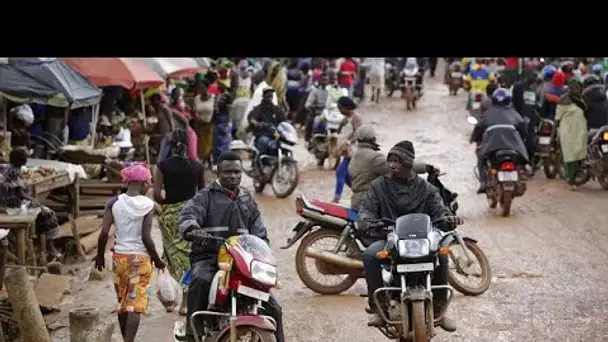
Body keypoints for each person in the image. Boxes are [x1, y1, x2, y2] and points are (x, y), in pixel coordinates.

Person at [177, 151, 284, 342]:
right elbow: (187, 216)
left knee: (274, 307)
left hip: (242, 261)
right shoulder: (205, 197)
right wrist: (193, 229)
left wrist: (264, 249)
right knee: (200, 281)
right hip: (210, 257)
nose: (233, 176)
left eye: (236, 172)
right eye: (228, 172)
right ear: (218, 172)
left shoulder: (246, 199)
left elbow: (259, 232)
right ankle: (192, 333)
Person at [358, 140, 459, 331]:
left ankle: (439, 310)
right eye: (390, 161)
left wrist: (448, 218)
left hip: (422, 239)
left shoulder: (426, 188)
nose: (392, 165)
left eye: (397, 161)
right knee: (370, 254)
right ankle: (379, 308)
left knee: (443, 255)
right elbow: (367, 208)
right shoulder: (379, 186)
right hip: (390, 239)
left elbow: (439, 210)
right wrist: (366, 219)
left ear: (408, 164)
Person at [94, 164, 165, 342]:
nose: (149, 186)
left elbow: (103, 233)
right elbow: (146, 238)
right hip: (140, 261)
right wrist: (157, 259)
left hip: (119, 259)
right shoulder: (148, 205)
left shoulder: (113, 202)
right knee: (136, 303)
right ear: (141, 183)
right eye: (148, 182)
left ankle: (127, 339)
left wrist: (100, 255)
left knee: (123, 302)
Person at [153, 129, 205, 315]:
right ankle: (186, 302)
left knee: (173, 256)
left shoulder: (162, 166)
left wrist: (170, 203)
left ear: (170, 145)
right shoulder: (197, 166)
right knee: (189, 256)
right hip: (191, 217)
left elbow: (157, 195)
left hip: (170, 219)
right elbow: (202, 194)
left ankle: (170, 297)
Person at [348, 125, 435, 211]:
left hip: (357, 202)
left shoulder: (355, 157)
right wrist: (426, 167)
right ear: (373, 139)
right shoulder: (373, 158)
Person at [0, 149, 61, 260]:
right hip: (13, 207)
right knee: (48, 213)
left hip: (14, 204)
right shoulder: (14, 172)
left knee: (42, 213)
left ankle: (43, 245)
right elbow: (20, 192)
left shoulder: (13, 170)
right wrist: (33, 200)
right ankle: (49, 247)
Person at [470, 88, 529, 194]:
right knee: (522, 162)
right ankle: (522, 174)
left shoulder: (488, 114)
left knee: (481, 157)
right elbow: (523, 129)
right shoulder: (514, 113)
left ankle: (484, 182)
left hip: (492, 147)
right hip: (513, 147)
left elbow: (479, 128)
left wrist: (474, 138)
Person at [556, 79, 588, 190]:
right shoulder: (563, 100)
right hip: (568, 132)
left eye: (578, 87)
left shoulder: (581, 99)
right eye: (573, 87)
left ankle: (575, 175)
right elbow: (557, 118)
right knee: (570, 155)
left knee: (580, 154)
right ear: (569, 88)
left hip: (580, 131)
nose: (576, 89)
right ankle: (570, 179)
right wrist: (553, 135)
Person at [248, 88, 287, 169]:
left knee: (286, 144)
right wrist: (258, 124)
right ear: (263, 96)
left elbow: (284, 121)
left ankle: (286, 162)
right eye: (268, 95)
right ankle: (261, 164)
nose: (270, 97)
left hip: (276, 134)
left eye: (271, 96)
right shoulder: (258, 109)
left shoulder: (277, 109)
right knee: (264, 141)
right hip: (263, 134)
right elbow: (251, 118)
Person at [332, 97, 362, 203]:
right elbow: (339, 131)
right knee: (346, 176)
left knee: (340, 172)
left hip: (353, 152)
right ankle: (359, 193)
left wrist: (350, 142)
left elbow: (359, 133)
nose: (339, 111)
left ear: (346, 107)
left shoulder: (355, 117)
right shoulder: (345, 119)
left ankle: (336, 198)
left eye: (340, 108)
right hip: (346, 152)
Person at [512, 68, 539, 166]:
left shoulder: (533, 88)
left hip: (530, 119)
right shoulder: (518, 87)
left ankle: (529, 162)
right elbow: (515, 103)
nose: (535, 78)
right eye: (533, 75)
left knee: (531, 143)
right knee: (520, 141)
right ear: (527, 75)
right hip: (520, 119)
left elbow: (533, 104)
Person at [150, 93, 188, 163]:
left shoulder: (164, 108)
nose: (152, 103)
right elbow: (160, 122)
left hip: (168, 134)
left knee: (164, 154)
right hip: (164, 134)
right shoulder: (157, 109)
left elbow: (170, 120)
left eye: (153, 101)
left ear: (157, 100)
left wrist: (172, 132)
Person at [191, 82, 215, 169]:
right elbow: (194, 111)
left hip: (209, 125)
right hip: (200, 125)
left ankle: (204, 163)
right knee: (202, 146)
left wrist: (212, 122)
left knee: (208, 145)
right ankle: (208, 163)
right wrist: (196, 121)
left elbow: (215, 111)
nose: (201, 90)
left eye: (203, 88)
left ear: (207, 88)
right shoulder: (196, 99)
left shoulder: (213, 98)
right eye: (199, 88)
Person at [305, 73, 330, 143]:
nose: (325, 82)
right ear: (320, 81)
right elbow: (307, 105)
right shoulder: (315, 91)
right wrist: (315, 107)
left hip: (327, 114)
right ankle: (312, 138)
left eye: (327, 80)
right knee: (316, 122)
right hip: (316, 113)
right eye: (324, 80)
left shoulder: (328, 91)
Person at [212, 83, 233, 163]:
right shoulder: (217, 98)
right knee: (216, 145)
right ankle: (217, 161)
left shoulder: (227, 98)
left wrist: (226, 126)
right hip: (217, 125)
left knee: (224, 145)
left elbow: (229, 115)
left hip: (224, 125)